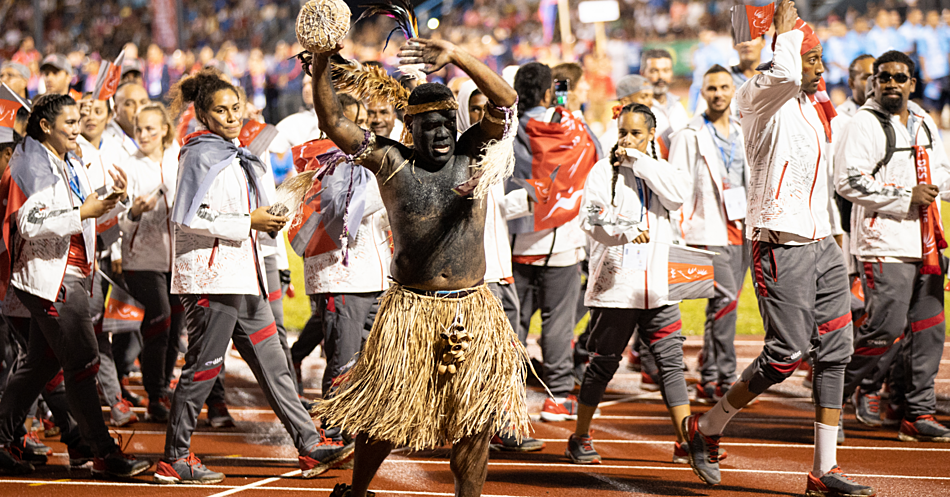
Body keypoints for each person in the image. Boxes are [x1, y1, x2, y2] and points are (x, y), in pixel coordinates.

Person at [309, 37, 526, 497]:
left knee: (475, 418)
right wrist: (323, 61)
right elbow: (332, 122)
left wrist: (458, 56)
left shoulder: (474, 150)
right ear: (410, 128)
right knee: (385, 412)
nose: (442, 132)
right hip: (410, 313)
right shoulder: (391, 161)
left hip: (472, 311)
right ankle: (357, 490)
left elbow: (506, 101)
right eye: (429, 125)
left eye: (448, 121)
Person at [680, 3, 876, 496]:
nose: (821, 69)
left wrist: (837, 240)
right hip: (779, 239)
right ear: (786, 54)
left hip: (822, 239)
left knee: (836, 352)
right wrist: (784, 32)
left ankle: (823, 470)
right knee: (784, 355)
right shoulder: (757, 96)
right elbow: (785, 67)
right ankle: (706, 431)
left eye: (821, 60)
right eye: (815, 60)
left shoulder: (811, 107)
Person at [155, 69, 352, 484]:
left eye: (235, 108)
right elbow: (191, 216)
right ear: (203, 116)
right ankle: (175, 456)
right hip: (211, 281)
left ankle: (310, 444)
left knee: (275, 365)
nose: (230, 116)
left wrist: (267, 222)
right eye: (220, 111)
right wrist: (250, 220)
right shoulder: (198, 154)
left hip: (245, 276)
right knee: (204, 366)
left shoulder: (238, 152)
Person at [0, 93, 149, 478]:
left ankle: (2, 437)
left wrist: (112, 201)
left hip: (70, 272)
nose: (77, 129)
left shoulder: (65, 158)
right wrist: (85, 210)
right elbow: (30, 223)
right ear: (46, 126)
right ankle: (101, 452)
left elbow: (84, 212)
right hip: (50, 278)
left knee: (40, 364)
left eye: (77, 121)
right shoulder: (30, 162)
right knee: (82, 362)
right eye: (69, 122)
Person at [567, 103, 691, 466]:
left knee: (670, 363)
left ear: (651, 134)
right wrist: (624, 229)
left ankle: (686, 441)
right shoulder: (602, 171)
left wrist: (640, 160)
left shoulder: (661, 170)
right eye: (623, 132)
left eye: (636, 133)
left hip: (658, 289)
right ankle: (580, 436)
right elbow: (590, 216)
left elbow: (678, 196)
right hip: (617, 287)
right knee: (603, 364)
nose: (627, 139)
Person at [836, 50, 950, 444]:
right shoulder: (862, 124)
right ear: (873, 82)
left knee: (930, 331)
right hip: (884, 242)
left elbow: (942, 173)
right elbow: (849, 181)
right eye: (883, 77)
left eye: (899, 78)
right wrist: (906, 196)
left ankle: (916, 413)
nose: (891, 84)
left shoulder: (923, 121)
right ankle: (831, 398)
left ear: (912, 83)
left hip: (927, 243)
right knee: (884, 331)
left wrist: (937, 190)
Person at [510, 62, 601, 422]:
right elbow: (596, 152)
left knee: (512, 324)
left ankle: (505, 391)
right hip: (563, 242)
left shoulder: (509, 130)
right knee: (558, 324)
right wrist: (565, 108)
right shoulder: (574, 127)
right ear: (551, 92)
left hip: (517, 239)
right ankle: (557, 396)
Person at [670, 65, 750, 405]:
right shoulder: (688, 134)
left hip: (741, 230)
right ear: (702, 93)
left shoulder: (743, 130)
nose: (718, 94)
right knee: (726, 301)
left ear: (734, 91)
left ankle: (711, 373)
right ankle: (721, 377)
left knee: (723, 306)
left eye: (723, 87)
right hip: (706, 230)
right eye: (711, 88)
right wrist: (679, 233)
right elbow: (676, 186)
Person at [75, 95, 137, 427]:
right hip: (66, 261)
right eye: (80, 113)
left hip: (95, 256)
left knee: (96, 333)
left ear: (108, 115)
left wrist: (121, 198)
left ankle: (113, 399)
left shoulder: (112, 152)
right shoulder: (68, 154)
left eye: (96, 111)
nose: (87, 118)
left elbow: (117, 212)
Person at [117, 103, 179, 423]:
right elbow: (116, 220)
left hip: (178, 259)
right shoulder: (127, 165)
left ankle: (161, 389)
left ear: (165, 130)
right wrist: (134, 212)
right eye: (139, 128)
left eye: (150, 129)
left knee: (174, 327)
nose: (142, 135)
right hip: (141, 259)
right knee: (159, 320)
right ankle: (154, 394)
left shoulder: (178, 159)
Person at [641, 49, 689, 157]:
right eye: (654, 71)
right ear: (643, 73)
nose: (660, 76)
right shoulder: (638, 109)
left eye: (666, 70)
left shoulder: (677, 106)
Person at [598, 75, 654, 152]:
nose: (651, 102)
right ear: (625, 101)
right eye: (644, 97)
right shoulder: (612, 139)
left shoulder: (648, 129)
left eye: (651, 97)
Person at [104, 82, 151, 161]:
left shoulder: (162, 135)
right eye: (129, 104)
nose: (138, 109)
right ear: (116, 109)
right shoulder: (105, 142)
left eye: (143, 102)